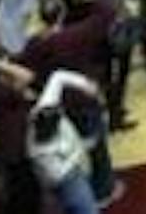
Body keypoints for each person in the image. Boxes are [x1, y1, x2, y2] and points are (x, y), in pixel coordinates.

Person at [28, 70, 105, 214]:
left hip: (73, 169)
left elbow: (58, 76)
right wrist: (84, 147)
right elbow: (60, 174)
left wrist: (86, 85)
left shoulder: (44, 107)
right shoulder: (41, 152)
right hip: (69, 179)